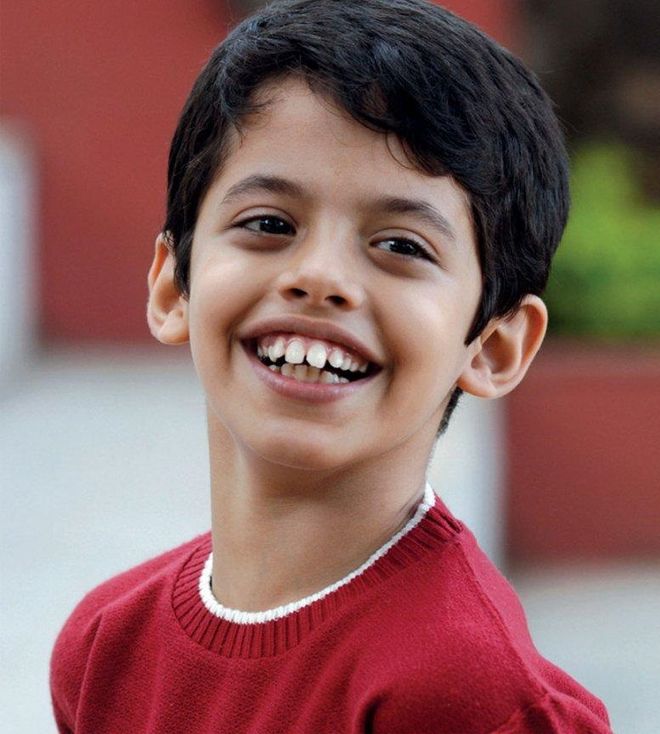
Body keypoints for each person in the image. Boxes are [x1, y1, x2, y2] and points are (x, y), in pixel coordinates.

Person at [50, 1, 613, 731]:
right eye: (269, 225)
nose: (319, 277)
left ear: (493, 345)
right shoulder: (105, 649)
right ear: (171, 286)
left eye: (403, 246)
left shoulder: (469, 696)